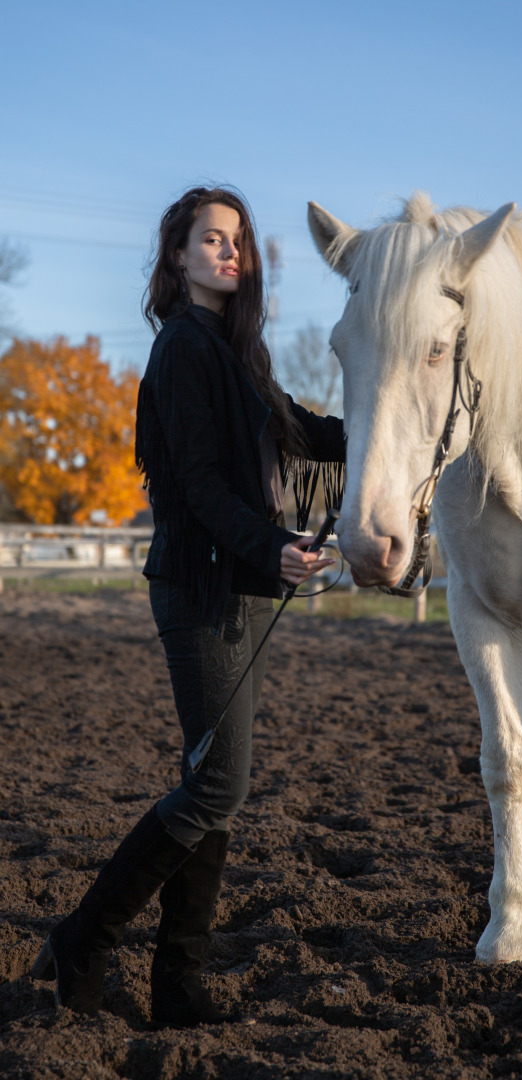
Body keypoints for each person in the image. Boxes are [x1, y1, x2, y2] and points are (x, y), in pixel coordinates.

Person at [31, 186, 345, 1027]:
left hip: (242, 588)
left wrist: (391, 428)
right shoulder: (180, 349)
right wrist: (269, 543)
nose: (228, 252)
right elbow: (198, 486)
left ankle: (177, 985)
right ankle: (84, 937)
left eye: (238, 241)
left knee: (211, 785)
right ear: (176, 256)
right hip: (198, 586)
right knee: (216, 787)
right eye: (211, 239)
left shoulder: (240, 354)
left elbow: (308, 432)